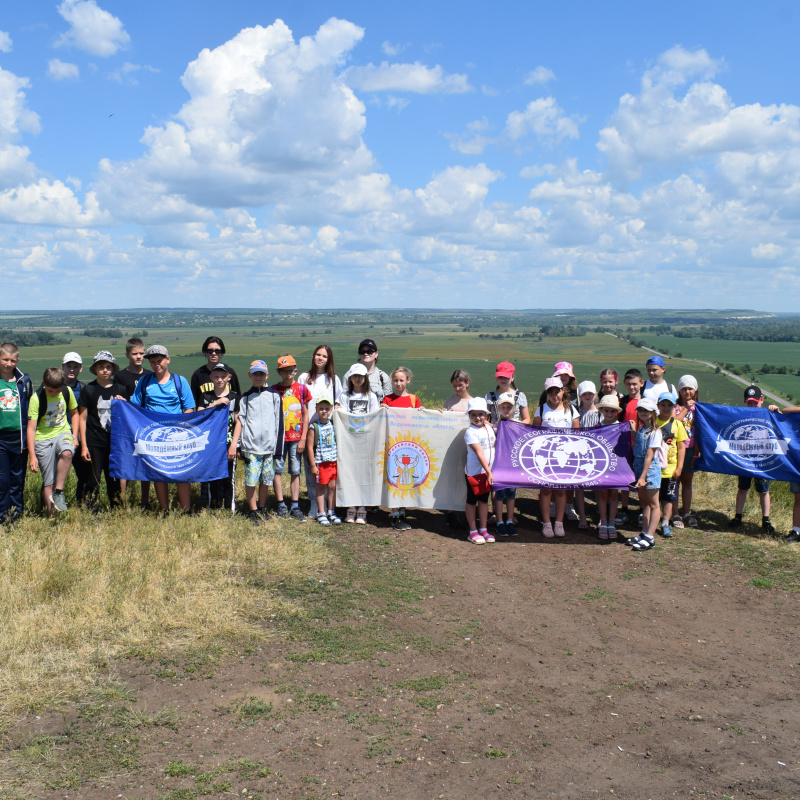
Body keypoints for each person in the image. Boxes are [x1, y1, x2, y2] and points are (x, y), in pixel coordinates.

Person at [130, 345, 196, 513]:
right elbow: (134, 407)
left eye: (159, 360)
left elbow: (189, 408)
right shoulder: (144, 382)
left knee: (182, 473)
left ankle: (186, 510)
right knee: (159, 474)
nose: (156, 364)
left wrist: (180, 427)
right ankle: (164, 510)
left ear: (168, 359)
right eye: (152, 362)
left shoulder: (180, 381)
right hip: (154, 436)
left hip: (177, 435)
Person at [229, 360, 282, 523]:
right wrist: (238, 446)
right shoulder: (245, 398)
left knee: (266, 480)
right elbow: (241, 421)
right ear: (250, 375)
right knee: (251, 480)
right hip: (251, 448)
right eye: (255, 374)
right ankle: (252, 511)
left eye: (261, 374)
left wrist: (278, 448)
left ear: (267, 375)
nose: (258, 377)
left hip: (268, 448)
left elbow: (279, 422)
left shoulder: (274, 396)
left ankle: (262, 507)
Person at [78, 351, 129, 510]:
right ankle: (92, 509)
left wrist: (124, 403)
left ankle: (116, 508)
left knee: (113, 477)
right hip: (94, 441)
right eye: (101, 367)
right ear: (95, 369)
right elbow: (82, 418)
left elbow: (126, 416)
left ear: (113, 369)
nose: (105, 370)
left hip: (115, 442)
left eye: (108, 367)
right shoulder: (89, 389)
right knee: (93, 478)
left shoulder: (120, 389)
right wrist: (84, 445)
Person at [27, 367, 78, 516]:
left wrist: (74, 435)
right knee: (49, 481)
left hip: (63, 432)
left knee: (68, 453)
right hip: (43, 438)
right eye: (50, 391)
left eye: (58, 391)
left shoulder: (67, 392)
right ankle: (51, 516)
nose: (55, 394)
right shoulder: (36, 398)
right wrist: (33, 455)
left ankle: (59, 492)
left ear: (62, 385)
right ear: (43, 384)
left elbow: (75, 413)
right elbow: (31, 429)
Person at [298, 345, 342, 519]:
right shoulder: (304, 377)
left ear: (328, 359)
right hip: (309, 427)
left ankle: (328, 507)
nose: (320, 358)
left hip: (327, 429)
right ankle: (314, 504)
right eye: (318, 354)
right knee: (311, 467)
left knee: (326, 469)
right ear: (313, 356)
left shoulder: (334, 380)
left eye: (324, 356)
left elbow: (339, 401)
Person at [533, 377, 579, 538]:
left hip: (564, 457)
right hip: (545, 457)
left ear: (562, 391)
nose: (554, 395)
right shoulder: (540, 410)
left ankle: (559, 523)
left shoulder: (572, 410)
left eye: (557, 391)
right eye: (551, 392)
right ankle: (546, 523)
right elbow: (534, 433)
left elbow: (577, 434)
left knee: (561, 490)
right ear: (547, 393)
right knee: (545, 490)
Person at [730, 385, 774, 534]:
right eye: (750, 403)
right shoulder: (741, 415)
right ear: (744, 402)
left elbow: (781, 418)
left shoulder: (768, 414)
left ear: (762, 400)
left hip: (762, 461)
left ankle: (766, 520)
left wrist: (776, 410)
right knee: (742, 488)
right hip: (745, 459)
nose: (753, 405)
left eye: (756, 402)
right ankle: (738, 517)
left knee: (764, 490)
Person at [338, 363, 380, 523]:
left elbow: (375, 417)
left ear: (366, 378)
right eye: (354, 376)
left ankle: (362, 507)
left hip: (365, 441)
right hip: (349, 441)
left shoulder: (371, 397)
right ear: (350, 378)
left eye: (360, 376)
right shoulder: (344, 396)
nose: (357, 379)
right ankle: (351, 506)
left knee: (363, 473)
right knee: (350, 473)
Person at [271, 355, 311, 521]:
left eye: (291, 370)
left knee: (295, 471)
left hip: (296, 437)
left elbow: (306, 414)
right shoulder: (273, 390)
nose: (288, 373)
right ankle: (280, 503)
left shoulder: (302, 389)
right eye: (284, 370)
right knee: (277, 470)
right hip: (279, 439)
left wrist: (303, 438)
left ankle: (295, 505)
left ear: (296, 370)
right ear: (279, 372)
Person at [383, 366, 422, 531]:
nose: (398, 383)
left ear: (408, 380)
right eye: (396, 380)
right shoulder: (387, 400)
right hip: (393, 444)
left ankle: (403, 513)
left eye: (401, 380)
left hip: (409, 444)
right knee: (395, 477)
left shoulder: (414, 400)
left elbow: (421, 421)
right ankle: (395, 514)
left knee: (407, 480)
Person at [115, 338, 152, 508]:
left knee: (146, 462)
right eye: (135, 353)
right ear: (127, 355)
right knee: (126, 463)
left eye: (141, 353)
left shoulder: (149, 376)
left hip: (145, 423)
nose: (138, 357)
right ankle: (122, 501)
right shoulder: (121, 376)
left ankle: (146, 501)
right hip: (127, 425)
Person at [199, 362, 240, 511]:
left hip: (228, 444)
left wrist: (234, 445)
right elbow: (200, 415)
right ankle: (211, 507)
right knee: (211, 477)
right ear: (211, 377)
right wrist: (216, 403)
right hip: (209, 445)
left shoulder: (235, 397)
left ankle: (230, 508)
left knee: (228, 478)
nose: (220, 380)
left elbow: (238, 422)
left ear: (229, 377)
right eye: (216, 376)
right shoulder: (206, 396)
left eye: (223, 376)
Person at [0, 342, 33, 526]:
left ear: (18, 360)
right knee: (2, 481)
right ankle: (2, 515)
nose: (8, 364)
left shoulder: (24, 382)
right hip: (1, 438)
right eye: (5, 359)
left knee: (17, 479)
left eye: (12, 360)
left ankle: (15, 516)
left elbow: (31, 410)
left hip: (19, 439)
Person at [627, 398, 663, 552]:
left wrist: (642, 477)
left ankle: (650, 537)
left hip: (649, 471)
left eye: (646, 411)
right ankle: (644, 532)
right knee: (645, 503)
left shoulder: (655, 432)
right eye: (640, 410)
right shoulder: (642, 429)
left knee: (654, 504)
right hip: (640, 469)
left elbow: (649, 455)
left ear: (653, 413)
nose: (642, 413)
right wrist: (635, 433)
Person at [655, 392, 688, 538]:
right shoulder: (653, 422)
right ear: (658, 406)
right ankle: (651, 519)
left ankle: (665, 522)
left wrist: (679, 467)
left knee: (668, 497)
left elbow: (681, 447)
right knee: (653, 497)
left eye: (670, 405)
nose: (666, 408)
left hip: (670, 469)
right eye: (663, 405)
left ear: (675, 407)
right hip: (654, 468)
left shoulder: (678, 424)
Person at [767, 398, 800, 541]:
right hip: (797, 464)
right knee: (798, 499)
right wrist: (777, 411)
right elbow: (785, 411)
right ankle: (796, 532)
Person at [464, 397, 496, 545]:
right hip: (475, 473)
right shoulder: (470, 432)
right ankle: (472, 531)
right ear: (469, 416)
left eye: (480, 414)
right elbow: (480, 453)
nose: (477, 418)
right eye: (474, 415)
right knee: (472, 501)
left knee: (484, 500)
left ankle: (483, 529)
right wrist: (489, 472)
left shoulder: (489, 428)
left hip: (487, 473)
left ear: (486, 415)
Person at [306, 395, 341, 526]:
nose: (324, 411)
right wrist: (313, 465)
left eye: (327, 408)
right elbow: (309, 447)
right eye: (321, 408)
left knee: (332, 487)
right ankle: (321, 513)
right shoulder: (313, 427)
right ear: (316, 409)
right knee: (321, 487)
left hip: (333, 462)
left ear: (331, 409)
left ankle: (331, 511)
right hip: (321, 463)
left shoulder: (334, 424)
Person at [616, 368, 644, 526]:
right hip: (625, 445)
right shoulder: (623, 402)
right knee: (625, 478)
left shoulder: (647, 403)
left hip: (641, 446)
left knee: (641, 478)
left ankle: (642, 509)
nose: (632, 387)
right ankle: (624, 508)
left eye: (634, 384)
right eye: (628, 384)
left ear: (641, 383)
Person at [62, 351, 90, 504]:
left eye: (75, 366)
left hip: (78, 438)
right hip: (57, 435)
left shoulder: (84, 389)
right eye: (68, 366)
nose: (71, 369)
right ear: (62, 367)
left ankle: (82, 504)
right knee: (54, 475)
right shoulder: (54, 387)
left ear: (80, 369)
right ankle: (50, 506)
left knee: (84, 475)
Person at [595, 394, 622, 542]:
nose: (609, 414)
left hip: (616, 467)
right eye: (607, 411)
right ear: (602, 411)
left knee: (613, 495)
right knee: (603, 495)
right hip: (602, 466)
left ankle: (612, 522)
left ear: (616, 412)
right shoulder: (597, 428)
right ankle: (603, 521)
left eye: (612, 411)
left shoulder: (621, 427)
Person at [492, 392, 518, 538]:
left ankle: (509, 520)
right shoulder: (496, 426)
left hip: (512, 467)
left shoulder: (517, 426)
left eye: (509, 407)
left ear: (513, 408)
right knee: (500, 494)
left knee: (511, 494)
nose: (506, 410)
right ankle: (500, 522)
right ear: (499, 408)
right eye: (504, 407)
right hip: (500, 466)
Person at [674, 375, 699, 528]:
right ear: (679, 390)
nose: (687, 391)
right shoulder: (675, 407)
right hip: (676, 448)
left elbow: (702, 430)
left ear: (695, 390)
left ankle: (687, 512)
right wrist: (687, 408)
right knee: (675, 481)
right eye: (684, 388)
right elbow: (675, 421)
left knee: (687, 481)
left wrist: (697, 452)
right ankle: (675, 513)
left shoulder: (700, 408)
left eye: (690, 388)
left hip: (691, 449)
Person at [574, 380, 599, 530]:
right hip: (580, 454)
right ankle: (582, 515)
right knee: (580, 486)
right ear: (580, 396)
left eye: (590, 393)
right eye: (585, 394)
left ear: (595, 394)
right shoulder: (575, 413)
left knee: (598, 485)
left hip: (596, 454)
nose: (588, 396)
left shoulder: (601, 413)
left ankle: (600, 514)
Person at [190, 336, 241, 407]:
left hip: (227, 415)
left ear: (222, 353)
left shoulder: (229, 372)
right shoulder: (198, 374)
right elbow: (193, 400)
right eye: (210, 351)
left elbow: (237, 396)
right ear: (205, 352)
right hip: (206, 415)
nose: (214, 353)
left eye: (217, 351)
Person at [357, 338, 391, 403]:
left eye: (370, 351)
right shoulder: (349, 375)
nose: (365, 354)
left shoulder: (383, 377)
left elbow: (388, 401)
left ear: (376, 353)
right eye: (362, 352)